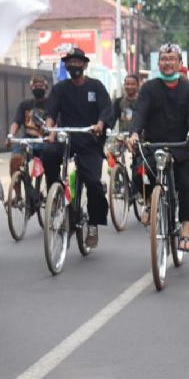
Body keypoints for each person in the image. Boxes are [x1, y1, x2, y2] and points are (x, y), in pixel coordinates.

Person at [127, 44, 189, 251]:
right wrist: (134, 134)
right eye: (163, 59)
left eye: (172, 59)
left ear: (180, 63)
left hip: (182, 146)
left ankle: (186, 232)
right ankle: (151, 203)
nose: (167, 62)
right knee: (138, 175)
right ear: (158, 63)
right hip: (155, 146)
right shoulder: (149, 88)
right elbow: (140, 113)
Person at [42, 48, 112, 248]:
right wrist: (50, 131)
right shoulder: (60, 89)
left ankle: (93, 224)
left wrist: (100, 124)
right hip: (67, 138)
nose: (74, 65)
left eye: (77, 62)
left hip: (90, 140)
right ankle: (54, 195)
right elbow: (51, 112)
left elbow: (106, 109)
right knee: (48, 153)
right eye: (70, 62)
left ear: (85, 64)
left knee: (93, 182)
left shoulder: (95, 86)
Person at [7, 74, 49, 178]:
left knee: (50, 164)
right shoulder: (25, 104)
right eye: (35, 86)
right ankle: (17, 193)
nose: (38, 88)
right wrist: (11, 135)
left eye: (41, 86)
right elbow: (16, 122)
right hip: (28, 140)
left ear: (46, 88)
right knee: (15, 160)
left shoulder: (51, 104)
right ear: (31, 88)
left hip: (45, 141)